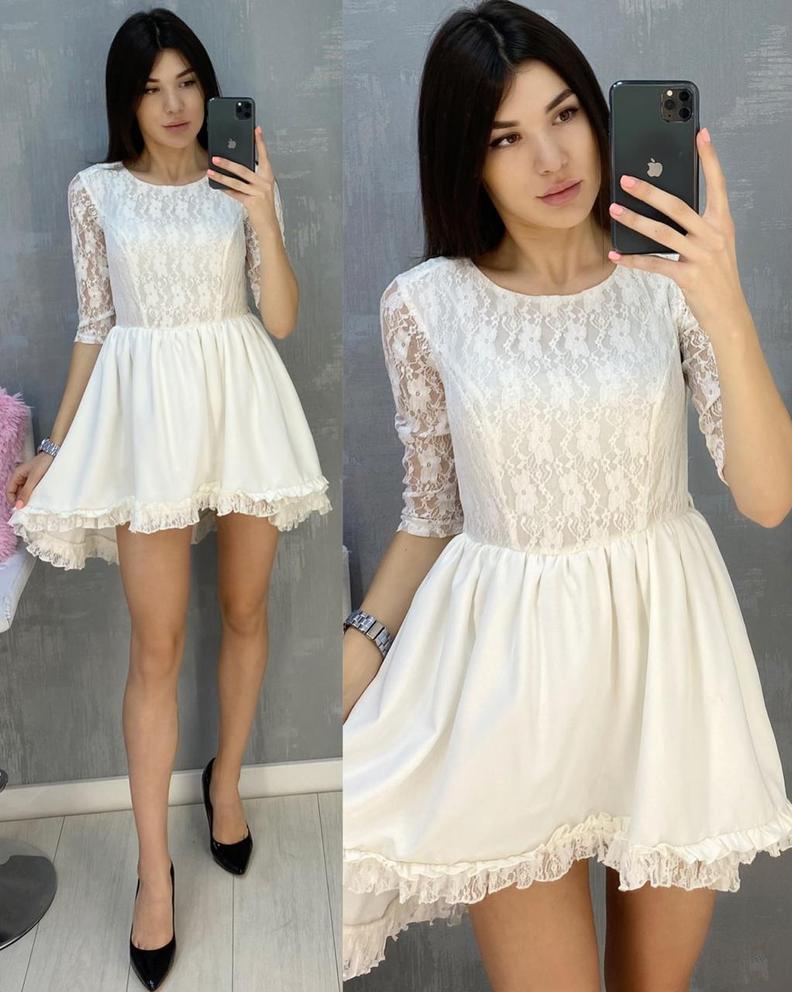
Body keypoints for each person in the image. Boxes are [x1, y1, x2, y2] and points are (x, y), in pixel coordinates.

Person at [341, 2, 792, 989]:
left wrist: (723, 301)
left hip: (668, 664)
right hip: (508, 680)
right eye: (506, 137)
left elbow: (767, 496)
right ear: (468, 159)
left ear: (598, 113)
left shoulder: (670, 279)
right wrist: (361, 645)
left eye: (564, 115)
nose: (551, 157)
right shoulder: (425, 306)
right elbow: (433, 511)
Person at [5, 8, 331, 990]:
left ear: (208, 87)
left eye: (187, 81)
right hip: (144, 419)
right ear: (128, 102)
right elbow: (95, 323)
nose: (175, 104)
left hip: (241, 405)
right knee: (156, 646)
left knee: (245, 609)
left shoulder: (240, 181)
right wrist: (55, 446)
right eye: (152, 88)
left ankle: (225, 781)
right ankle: (156, 874)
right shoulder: (97, 191)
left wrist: (263, 211)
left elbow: (280, 318)